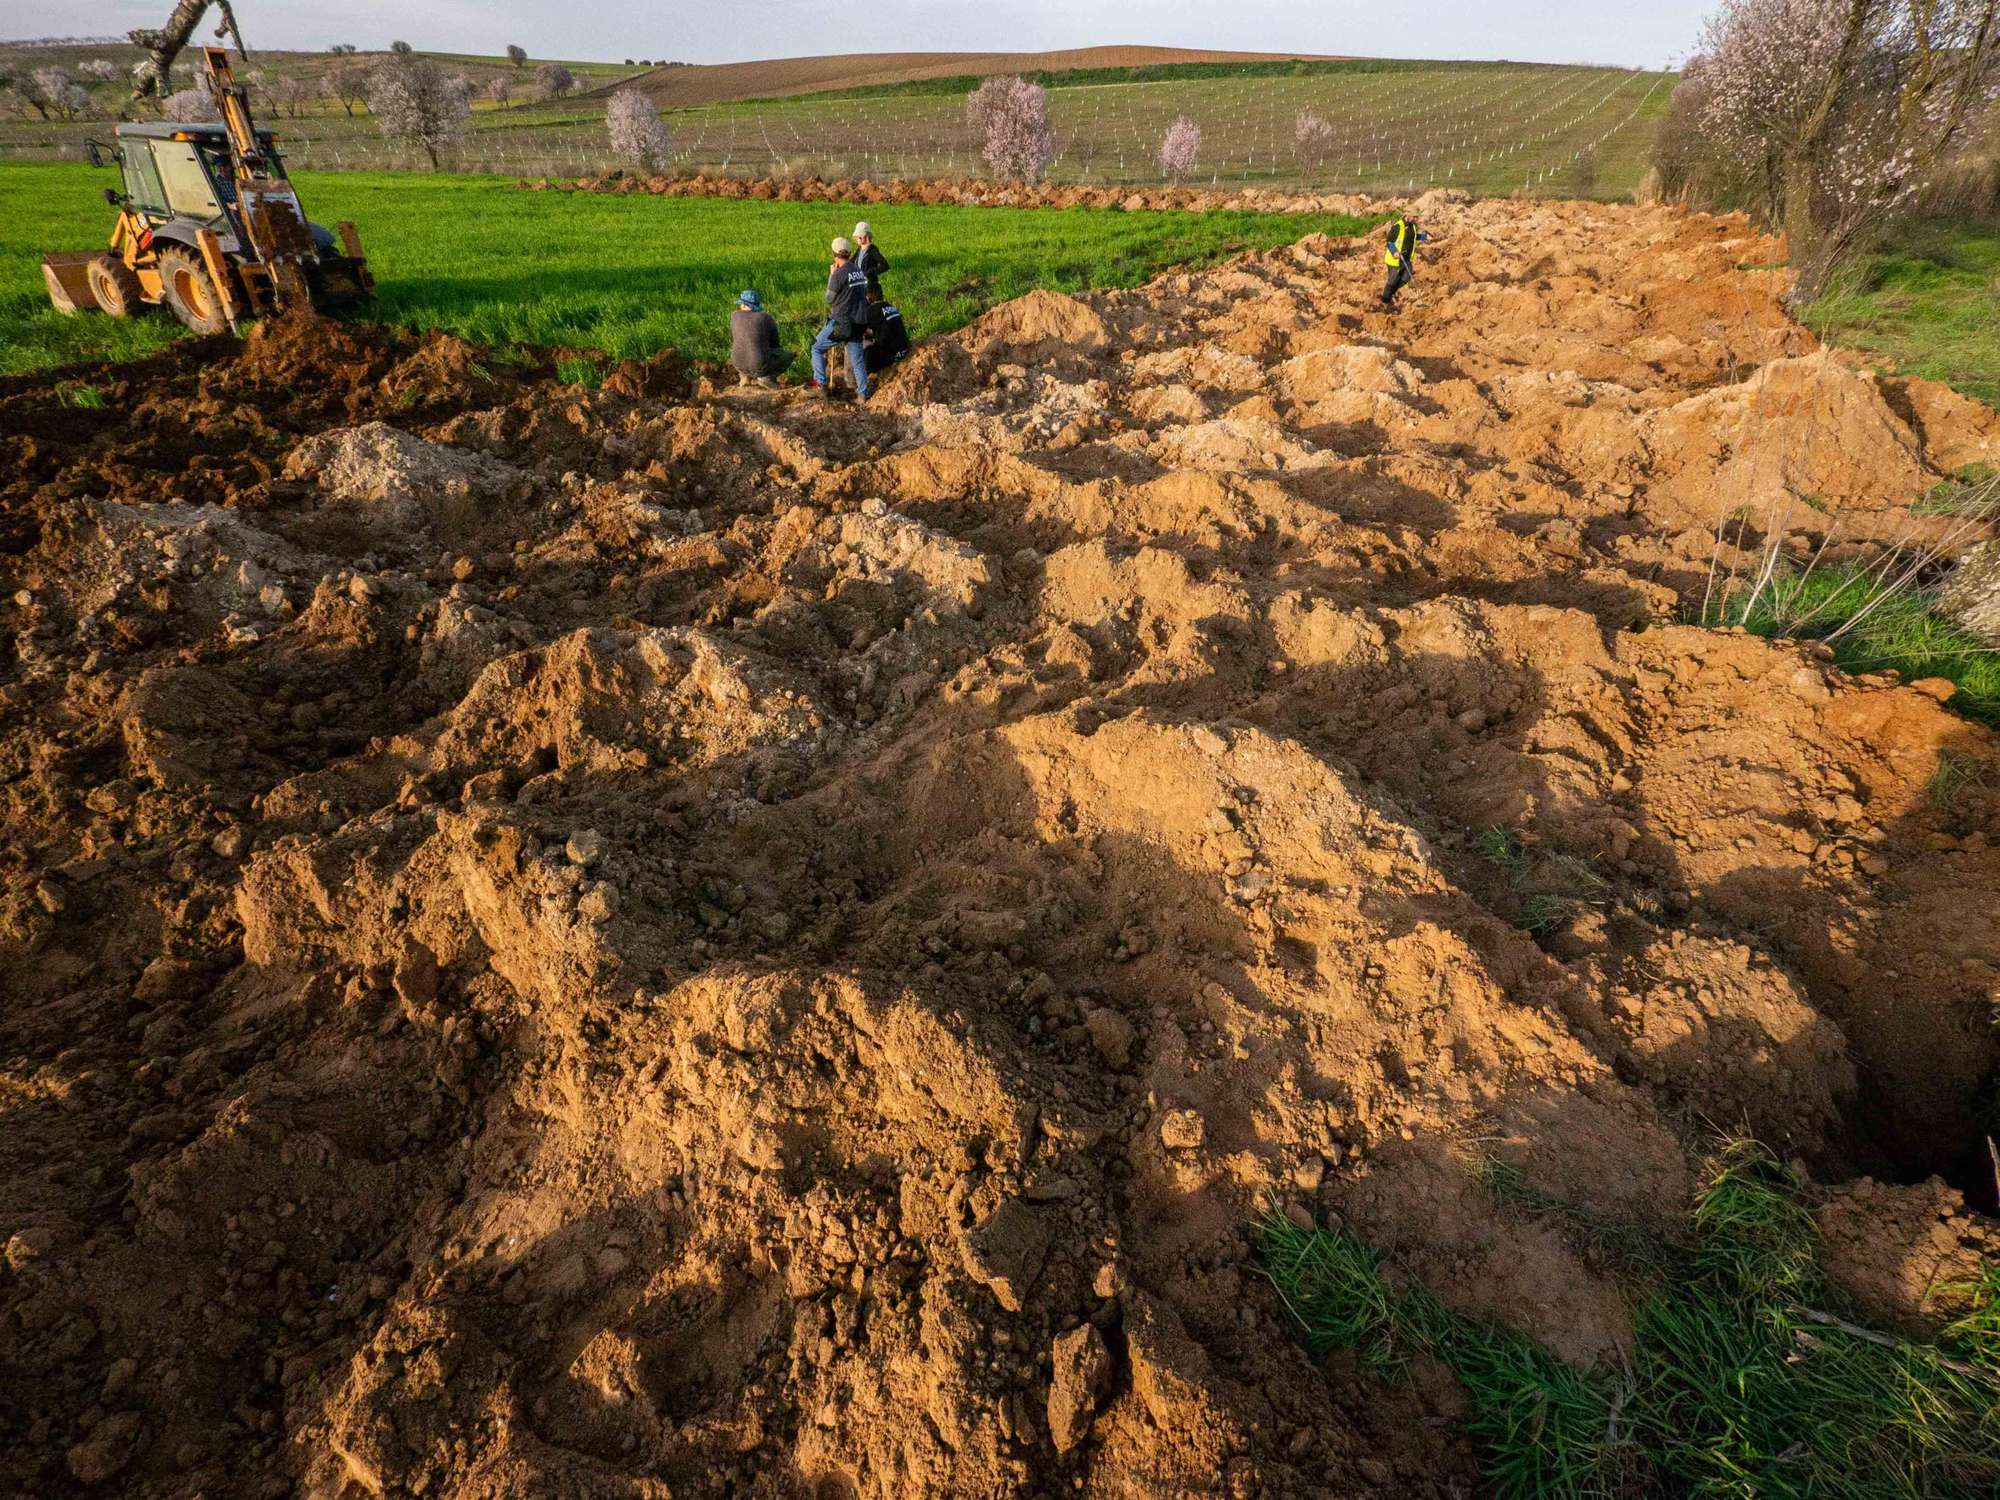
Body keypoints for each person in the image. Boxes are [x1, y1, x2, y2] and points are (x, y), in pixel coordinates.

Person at [811, 237, 872, 400]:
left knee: (816, 348)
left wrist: (832, 276)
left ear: (834, 254)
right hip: (859, 322)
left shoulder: (838, 274)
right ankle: (863, 393)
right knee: (857, 359)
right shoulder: (858, 271)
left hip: (842, 323)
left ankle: (820, 385)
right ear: (849, 253)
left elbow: (829, 298)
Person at [728, 289, 793, 387]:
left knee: (744, 350)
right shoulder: (765, 318)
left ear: (744, 305)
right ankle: (766, 378)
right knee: (788, 356)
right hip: (759, 365)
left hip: (737, 364)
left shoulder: (734, 315)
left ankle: (745, 377)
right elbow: (775, 342)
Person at [1381, 212, 1430, 311]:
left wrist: (1426, 237)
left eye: (1417, 217)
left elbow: (1414, 237)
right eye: (1414, 217)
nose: (1416, 219)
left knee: (1407, 277)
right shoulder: (1398, 226)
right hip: (1395, 259)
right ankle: (1385, 299)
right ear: (1408, 215)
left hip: (1407, 258)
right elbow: (1389, 241)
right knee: (1393, 279)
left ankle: (1391, 293)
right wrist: (1394, 252)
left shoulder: (1413, 226)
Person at [862, 289, 909, 375]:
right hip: (903, 351)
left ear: (868, 298)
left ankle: (865, 378)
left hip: (890, 356)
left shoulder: (873, 310)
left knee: (866, 350)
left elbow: (859, 327)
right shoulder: (891, 307)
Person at [853, 221, 889, 297]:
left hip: (870, 286)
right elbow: (851, 262)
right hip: (859, 284)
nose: (858, 238)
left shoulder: (872, 250)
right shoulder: (859, 249)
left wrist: (869, 273)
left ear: (868, 236)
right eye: (857, 235)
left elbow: (885, 265)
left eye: (861, 235)